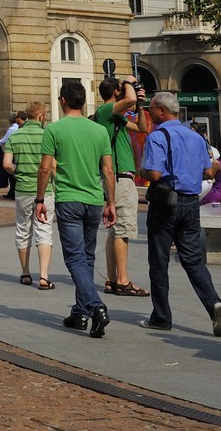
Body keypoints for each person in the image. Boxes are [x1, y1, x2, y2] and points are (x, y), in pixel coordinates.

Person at [138, 92, 221, 336]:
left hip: (166, 202)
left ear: (162, 111)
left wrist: (142, 170)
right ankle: (214, 303)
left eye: (151, 108)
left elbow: (155, 174)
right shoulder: (196, 137)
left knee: (159, 261)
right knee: (193, 259)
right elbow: (209, 172)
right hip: (190, 202)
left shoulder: (158, 136)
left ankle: (161, 316)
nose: (149, 112)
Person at [35, 80, 115, 338]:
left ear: (62, 100)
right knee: (87, 257)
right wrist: (111, 202)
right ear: (84, 101)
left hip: (69, 200)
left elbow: (45, 168)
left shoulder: (54, 130)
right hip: (94, 200)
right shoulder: (99, 131)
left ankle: (95, 307)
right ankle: (80, 313)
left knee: (74, 258)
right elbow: (108, 170)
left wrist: (39, 199)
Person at [94, 77, 148, 298]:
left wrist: (140, 106)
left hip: (119, 177)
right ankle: (123, 281)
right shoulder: (106, 110)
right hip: (120, 177)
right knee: (123, 231)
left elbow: (142, 128)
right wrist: (129, 82)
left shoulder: (115, 116)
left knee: (116, 231)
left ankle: (112, 279)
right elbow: (130, 98)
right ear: (117, 92)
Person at [1, 99, 55, 289]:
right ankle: (44, 276)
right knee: (44, 230)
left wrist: (19, 172)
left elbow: (6, 164)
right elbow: (53, 166)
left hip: (23, 189)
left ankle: (25, 272)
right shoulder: (48, 135)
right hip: (45, 190)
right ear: (41, 116)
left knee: (23, 230)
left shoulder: (15, 136)